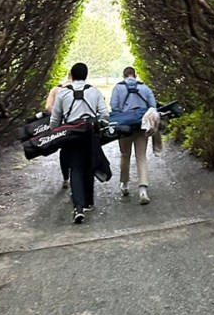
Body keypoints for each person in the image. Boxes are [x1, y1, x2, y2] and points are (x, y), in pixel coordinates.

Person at [49, 62, 110, 224]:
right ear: (86, 75)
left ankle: (78, 206)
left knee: (75, 168)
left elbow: (55, 118)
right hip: (89, 133)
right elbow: (104, 115)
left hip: (70, 134)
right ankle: (89, 200)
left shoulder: (63, 94)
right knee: (89, 165)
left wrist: (54, 133)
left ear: (72, 75)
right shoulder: (94, 91)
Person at [110, 66, 158, 204]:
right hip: (141, 127)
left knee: (125, 155)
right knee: (141, 156)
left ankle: (124, 185)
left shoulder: (118, 88)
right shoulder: (145, 88)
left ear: (124, 76)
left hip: (124, 127)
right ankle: (143, 190)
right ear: (135, 75)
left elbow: (114, 107)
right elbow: (153, 106)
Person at [45, 78, 70, 189]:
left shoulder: (56, 90)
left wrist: (57, 113)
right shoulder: (87, 89)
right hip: (81, 126)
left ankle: (65, 178)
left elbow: (48, 107)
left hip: (62, 126)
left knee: (64, 152)